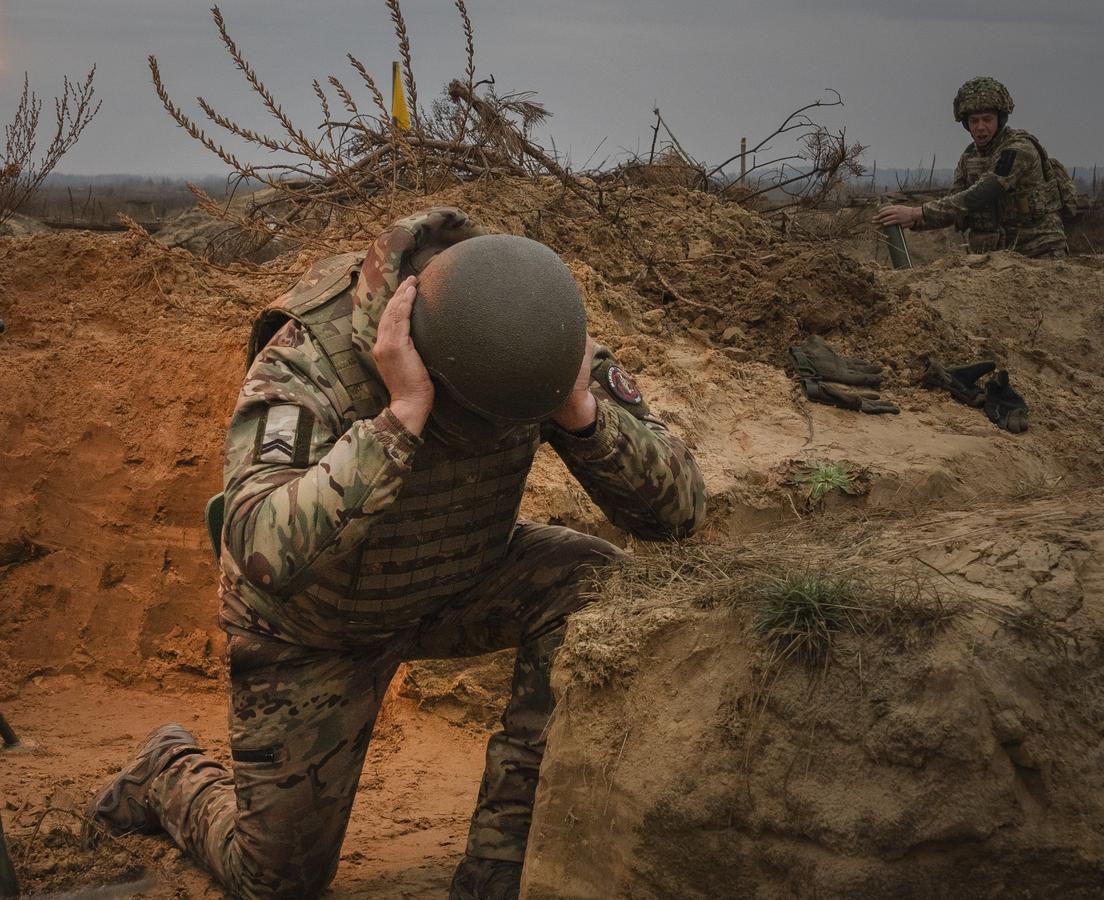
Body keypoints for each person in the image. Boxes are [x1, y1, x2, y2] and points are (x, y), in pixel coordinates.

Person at [90, 208, 705, 900]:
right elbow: (259, 545)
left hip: (456, 579)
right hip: (316, 627)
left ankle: (499, 864)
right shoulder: (310, 356)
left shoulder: (527, 329)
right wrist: (403, 415)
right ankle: (166, 769)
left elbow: (679, 512)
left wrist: (580, 413)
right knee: (275, 883)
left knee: (591, 583)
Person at [874, 77, 1067, 258]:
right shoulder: (969, 156)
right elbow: (954, 206)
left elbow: (982, 192)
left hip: (1039, 251)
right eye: (974, 121)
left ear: (1000, 119)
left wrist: (917, 212)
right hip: (994, 258)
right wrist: (914, 221)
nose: (980, 127)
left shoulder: (1018, 149)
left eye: (987, 119)